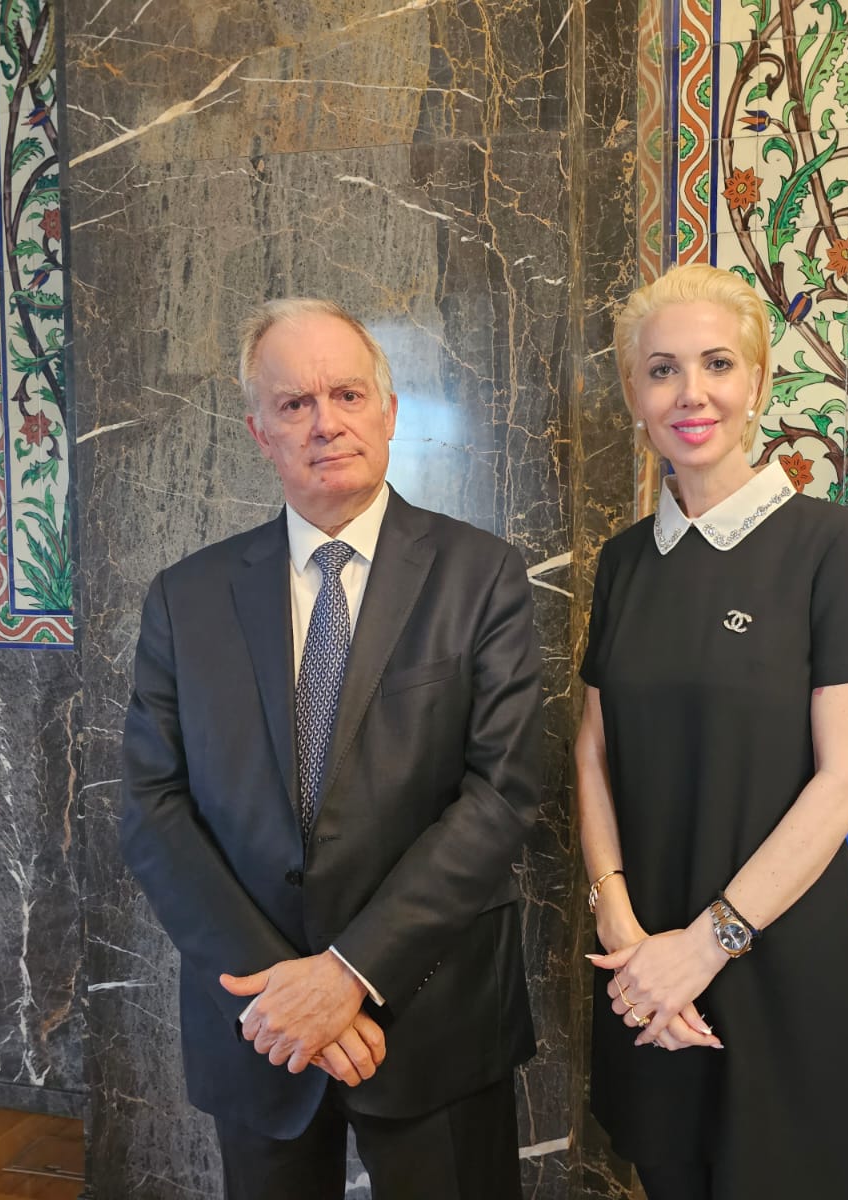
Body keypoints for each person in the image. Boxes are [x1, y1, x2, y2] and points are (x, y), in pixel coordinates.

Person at [120, 298, 542, 1200]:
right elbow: (153, 808)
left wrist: (350, 973)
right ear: (259, 432)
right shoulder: (186, 598)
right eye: (294, 403)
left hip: (432, 1011)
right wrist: (283, 992)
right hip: (260, 1022)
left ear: (388, 412)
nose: (325, 422)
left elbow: (501, 792)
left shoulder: (482, 575)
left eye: (347, 394)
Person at [575, 263, 848, 1199]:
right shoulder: (622, 563)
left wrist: (703, 947)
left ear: (758, 382)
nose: (691, 393)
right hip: (642, 970)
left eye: (718, 364)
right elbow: (593, 748)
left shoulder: (836, 547)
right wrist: (619, 920)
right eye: (662, 370)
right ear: (634, 394)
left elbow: (847, 779)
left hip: (776, 967)